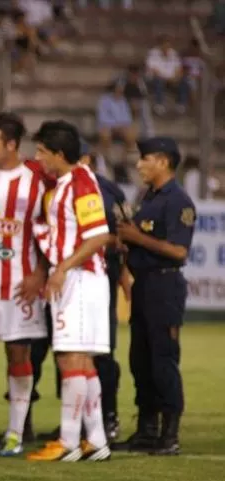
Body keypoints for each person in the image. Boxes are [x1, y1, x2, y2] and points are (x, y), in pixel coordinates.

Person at [26, 120, 112, 462]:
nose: (38, 158)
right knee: (83, 362)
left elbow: (99, 235)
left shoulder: (81, 183)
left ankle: (68, 441)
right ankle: (96, 441)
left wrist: (61, 268)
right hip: (76, 278)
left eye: (42, 152)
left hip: (80, 278)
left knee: (70, 358)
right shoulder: (67, 181)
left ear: (59, 154)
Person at [116, 137, 195, 456]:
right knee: (141, 359)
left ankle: (169, 433)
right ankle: (146, 430)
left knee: (163, 359)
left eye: (145, 158)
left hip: (165, 286)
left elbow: (179, 251)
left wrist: (138, 238)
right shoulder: (149, 197)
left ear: (163, 161)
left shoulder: (178, 201)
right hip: (144, 285)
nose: (139, 165)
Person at [0, 112, 47, 456]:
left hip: (20, 284)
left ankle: (16, 432)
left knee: (18, 354)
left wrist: (42, 273)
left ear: (12, 145)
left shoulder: (37, 179)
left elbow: (53, 229)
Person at [79, 140, 125, 442]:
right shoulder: (58, 186)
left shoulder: (107, 191)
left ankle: (107, 417)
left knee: (101, 351)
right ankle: (80, 419)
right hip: (73, 280)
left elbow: (119, 236)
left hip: (100, 279)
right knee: (70, 353)